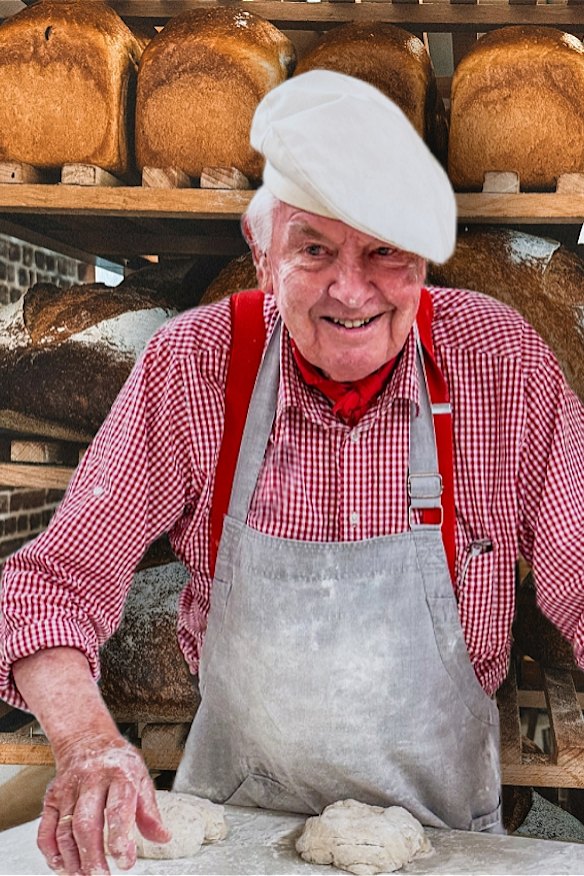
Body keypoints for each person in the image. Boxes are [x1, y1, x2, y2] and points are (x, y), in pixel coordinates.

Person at [1, 70, 583, 875]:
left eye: (384, 250)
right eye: (314, 249)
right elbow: (49, 586)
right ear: (263, 252)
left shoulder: (501, 366)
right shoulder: (195, 366)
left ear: (421, 261)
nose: (352, 290)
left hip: (442, 836)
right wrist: (88, 742)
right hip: (227, 827)